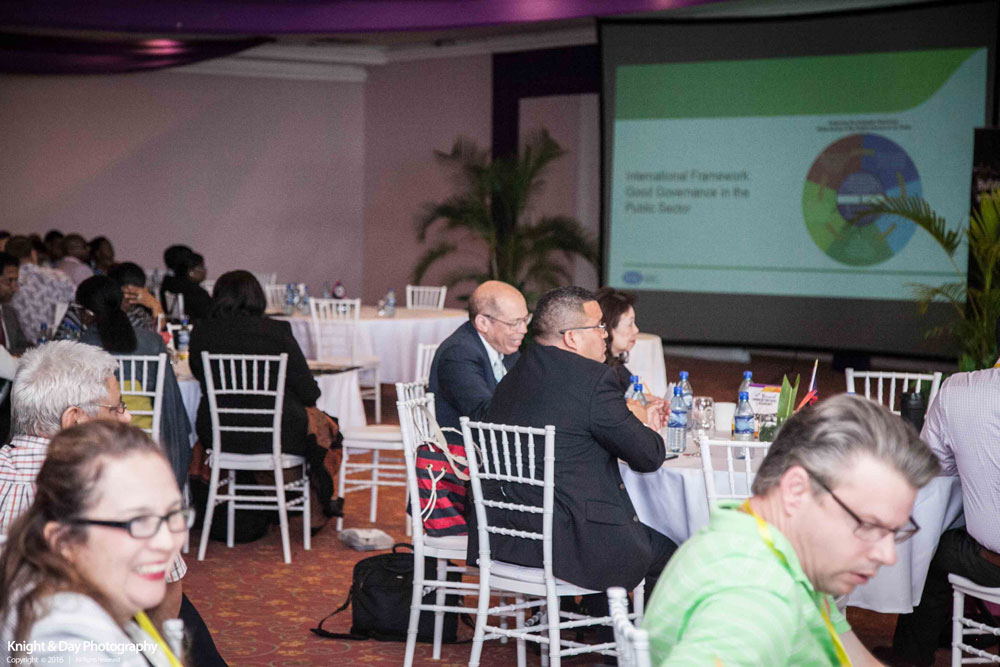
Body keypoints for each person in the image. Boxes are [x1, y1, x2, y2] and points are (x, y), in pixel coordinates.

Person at [643, 393, 940, 666]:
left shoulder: (777, 551)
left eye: (894, 531)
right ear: (796, 491)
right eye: (870, 525)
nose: (888, 555)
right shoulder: (757, 593)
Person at [0, 340, 225, 666]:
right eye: (116, 408)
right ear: (75, 421)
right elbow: (167, 591)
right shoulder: (111, 484)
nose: (127, 416)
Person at [471, 285, 674, 597]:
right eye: (599, 327)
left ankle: (593, 617)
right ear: (572, 338)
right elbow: (648, 456)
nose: (605, 335)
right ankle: (624, 628)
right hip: (571, 542)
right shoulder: (593, 380)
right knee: (672, 557)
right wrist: (641, 419)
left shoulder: (514, 375)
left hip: (507, 535)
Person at [0, 421, 189, 665]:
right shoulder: (73, 645)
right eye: (137, 521)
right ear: (64, 541)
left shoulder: (31, 572)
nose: (166, 542)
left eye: (173, 514)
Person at [880, 348, 1000, 666]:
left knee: (931, 549)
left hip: (991, 563)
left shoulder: (959, 391)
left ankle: (910, 658)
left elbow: (933, 469)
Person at [189, 270, 339, 518]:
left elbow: (198, 373)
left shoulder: (202, 332)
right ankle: (315, 503)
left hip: (219, 431)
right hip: (276, 431)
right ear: (258, 297)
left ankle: (253, 500)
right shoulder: (277, 331)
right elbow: (308, 390)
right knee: (324, 428)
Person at [74, 275, 191, 487]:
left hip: (100, 434)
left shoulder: (80, 348)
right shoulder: (152, 341)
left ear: (86, 313)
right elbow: (170, 401)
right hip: (147, 432)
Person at [428, 280, 528, 442]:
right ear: (483, 323)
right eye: (514, 323)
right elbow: (483, 414)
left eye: (525, 320)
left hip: (499, 443)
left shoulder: (507, 349)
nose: (523, 329)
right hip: (467, 450)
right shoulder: (458, 354)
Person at [595, 286, 662, 425]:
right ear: (607, 327)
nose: (636, 330)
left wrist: (655, 402)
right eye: (630, 324)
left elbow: (628, 396)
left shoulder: (617, 365)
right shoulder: (598, 372)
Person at [5, 234, 76, 344]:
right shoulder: (60, 277)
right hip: (63, 345)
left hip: (26, 348)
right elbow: (77, 308)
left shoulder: (9, 284)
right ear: (33, 254)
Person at [109, 262, 165, 332]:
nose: (129, 300)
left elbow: (159, 335)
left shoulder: (137, 312)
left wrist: (156, 306)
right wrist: (156, 306)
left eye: (135, 295)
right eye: (127, 293)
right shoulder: (108, 316)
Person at [161, 246, 211, 321]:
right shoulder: (196, 292)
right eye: (201, 267)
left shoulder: (168, 283)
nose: (205, 270)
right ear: (191, 272)